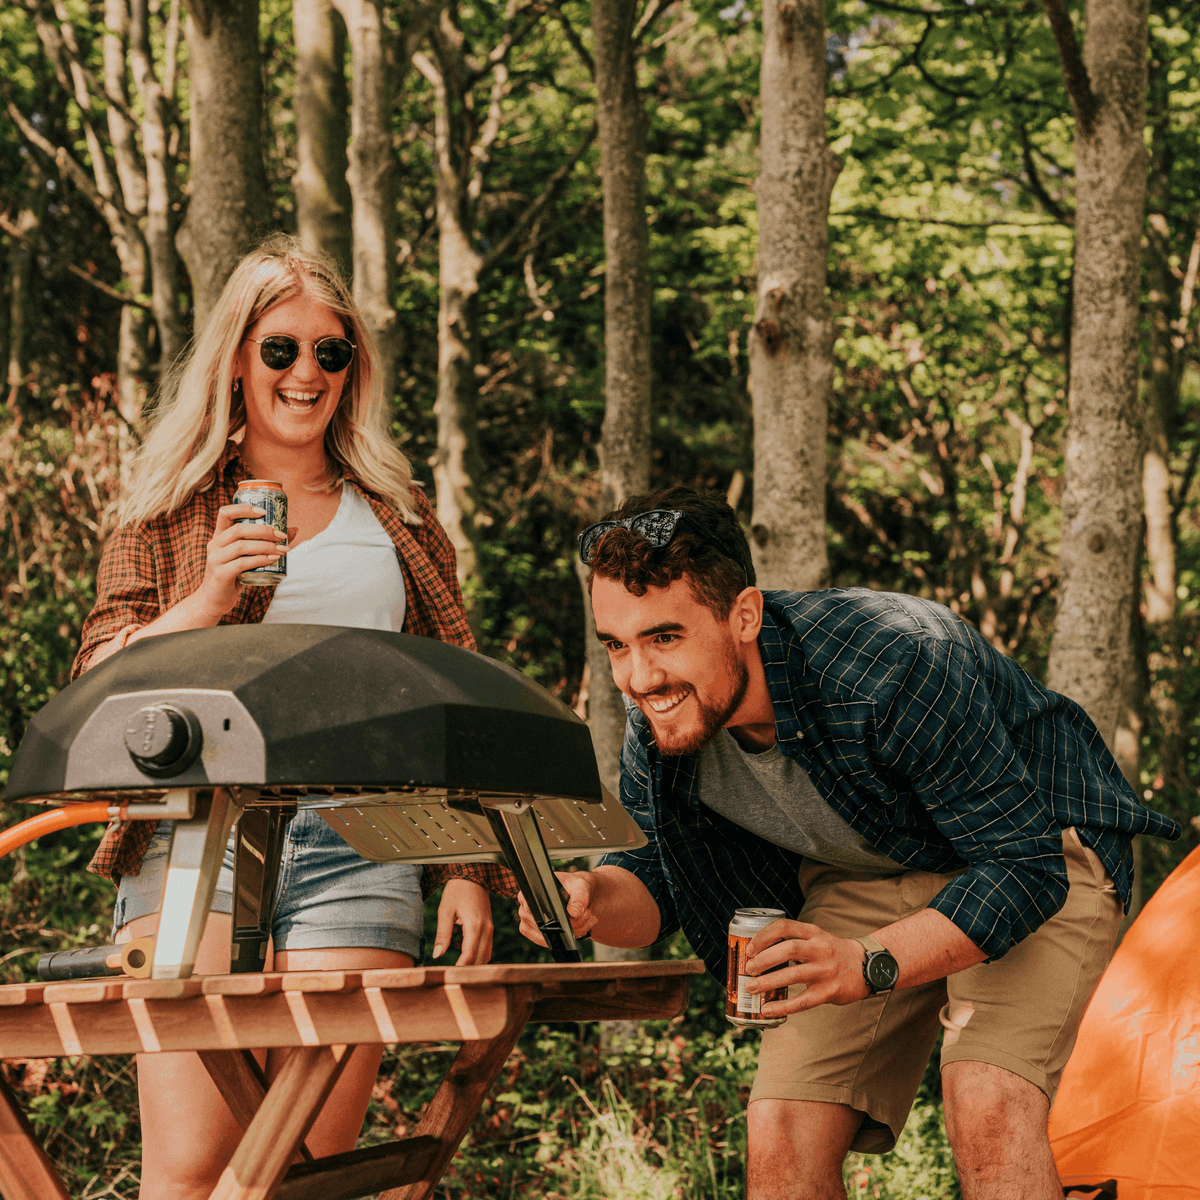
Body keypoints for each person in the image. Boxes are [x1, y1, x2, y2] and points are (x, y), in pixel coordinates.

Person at [518, 485, 1181, 1200]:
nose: (640, 677)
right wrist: (589, 897)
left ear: (744, 615)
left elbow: (1024, 869)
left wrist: (867, 962)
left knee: (987, 1099)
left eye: (665, 638)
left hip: (1036, 843)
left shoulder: (896, 659)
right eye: (617, 645)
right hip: (867, 868)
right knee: (781, 1130)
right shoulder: (660, 716)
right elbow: (655, 877)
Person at [74, 236, 514, 1199]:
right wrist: (207, 598)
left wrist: (467, 868)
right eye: (280, 348)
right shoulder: (168, 509)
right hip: (195, 840)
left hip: (365, 839)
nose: (305, 372)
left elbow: (454, 700)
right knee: (189, 1170)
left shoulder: (397, 515)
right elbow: (93, 686)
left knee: (308, 1172)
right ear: (236, 357)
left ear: (353, 368)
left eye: (330, 351)